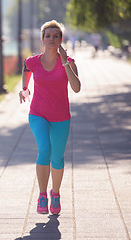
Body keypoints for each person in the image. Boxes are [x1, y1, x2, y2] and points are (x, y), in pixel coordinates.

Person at [19, 20, 81, 215]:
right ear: (42, 39)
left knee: (57, 157)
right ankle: (42, 195)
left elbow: (77, 88)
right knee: (44, 149)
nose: (52, 39)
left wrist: (64, 62)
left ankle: (56, 194)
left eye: (55, 36)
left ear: (61, 40)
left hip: (61, 117)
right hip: (38, 114)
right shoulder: (33, 61)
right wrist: (24, 88)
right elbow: (26, 69)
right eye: (48, 36)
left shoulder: (69, 63)